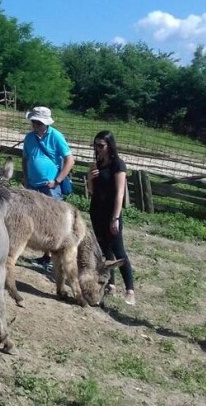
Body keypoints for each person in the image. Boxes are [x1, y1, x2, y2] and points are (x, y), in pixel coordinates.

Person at [22, 106, 75, 270]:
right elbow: (25, 158)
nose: (35, 125)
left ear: (45, 123)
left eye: (38, 123)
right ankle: (45, 255)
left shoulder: (56, 136)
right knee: (37, 220)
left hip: (50, 186)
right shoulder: (29, 138)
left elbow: (70, 160)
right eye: (33, 122)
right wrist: (25, 176)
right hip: (33, 184)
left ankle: (53, 257)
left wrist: (57, 180)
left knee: (52, 222)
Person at [87, 131, 135, 305]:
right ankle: (111, 284)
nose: (98, 149)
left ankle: (130, 289)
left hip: (111, 213)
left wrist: (115, 218)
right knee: (103, 249)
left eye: (101, 145)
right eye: (96, 145)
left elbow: (120, 193)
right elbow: (92, 192)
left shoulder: (118, 165)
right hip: (96, 211)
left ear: (110, 145)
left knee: (118, 249)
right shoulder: (97, 164)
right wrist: (89, 179)